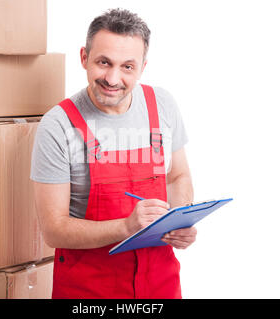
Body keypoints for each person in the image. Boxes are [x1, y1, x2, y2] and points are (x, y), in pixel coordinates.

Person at [31, 8, 197, 299]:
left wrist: (178, 222)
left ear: (143, 67)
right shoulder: (58, 125)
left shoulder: (162, 105)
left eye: (127, 67)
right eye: (103, 62)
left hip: (160, 284)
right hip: (89, 290)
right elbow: (53, 230)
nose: (112, 78)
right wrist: (126, 226)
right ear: (84, 57)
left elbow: (177, 176)